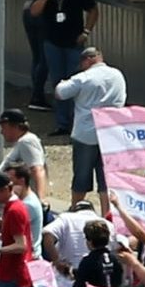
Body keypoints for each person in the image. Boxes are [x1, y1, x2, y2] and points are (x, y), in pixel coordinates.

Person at [53, 42, 127, 195]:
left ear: (86, 60)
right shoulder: (118, 75)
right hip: (111, 132)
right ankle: (107, 213)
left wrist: (63, 83)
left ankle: (77, 210)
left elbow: (60, 93)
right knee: (106, 180)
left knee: (81, 178)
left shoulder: (83, 77)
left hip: (86, 134)